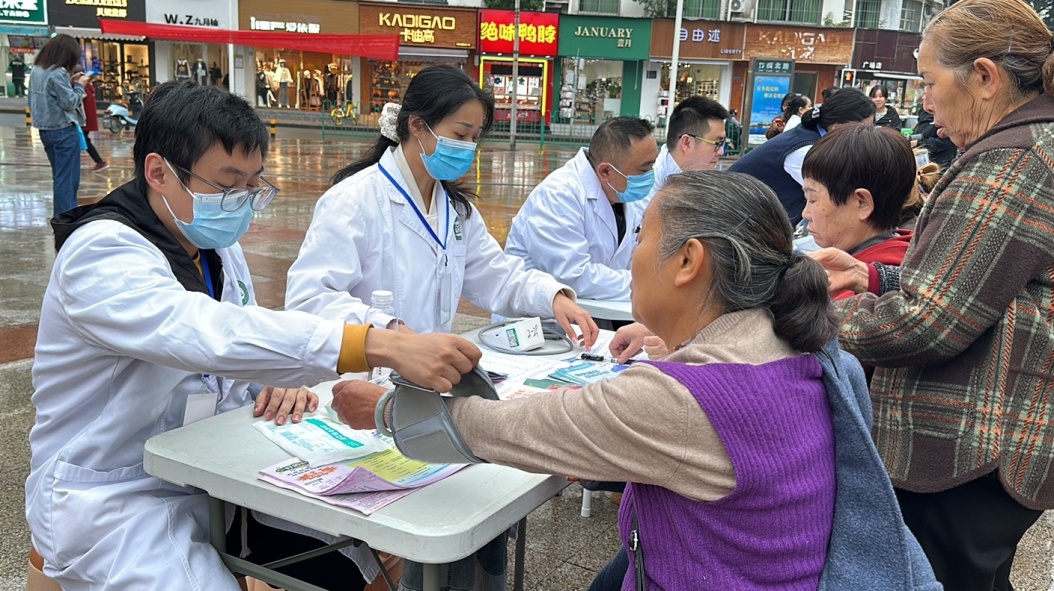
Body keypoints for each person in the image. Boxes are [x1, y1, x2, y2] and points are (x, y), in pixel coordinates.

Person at [331, 171, 941, 591]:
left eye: (645, 235)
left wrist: (383, 409)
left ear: (689, 261)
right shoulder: (802, 345)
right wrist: (659, 353)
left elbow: (494, 426)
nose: (631, 254)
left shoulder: (685, 399)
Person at [25, 80, 483, 591]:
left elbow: (233, 357)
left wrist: (270, 385)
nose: (241, 201)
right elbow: (203, 332)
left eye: (252, 184)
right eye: (228, 184)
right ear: (158, 172)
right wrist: (376, 344)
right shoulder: (101, 253)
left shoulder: (216, 249)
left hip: (212, 471)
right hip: (118, 493)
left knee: (356, 564)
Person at [808, 0, 1054, 588]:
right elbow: (993, 292)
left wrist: (808, 315)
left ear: (984, 77)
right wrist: (873, 278)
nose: (924, 102)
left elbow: (929, 322)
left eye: (927, 81)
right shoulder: (1029, 146)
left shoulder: (1010, 162)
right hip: (989, 443)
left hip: (967, 448)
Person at [286, 66, 596, 347]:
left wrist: (552, 297)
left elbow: (497, 277)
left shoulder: (455, 211)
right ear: (418, 125)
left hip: (426, 370)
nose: (468, 147)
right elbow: (310, 299)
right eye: (460, 134)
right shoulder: (353, 200)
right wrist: (385, 328)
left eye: (475, 137)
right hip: (364, 372)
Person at [503, 117, 658, 301]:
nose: (650, 176)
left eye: (653, 166)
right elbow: (573, 276)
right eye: (644, 170)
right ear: (605, 171)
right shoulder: (559, 196)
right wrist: (642, 284)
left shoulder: (622, 192)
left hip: (595, 309)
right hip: (539, 313)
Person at [801, 125, 917, 301]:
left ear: (862, 203)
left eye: (813, 199)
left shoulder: (858, 294)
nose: (805, 214)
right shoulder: (913, 257)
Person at [729, 89, 875, 225]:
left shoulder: (813, 136)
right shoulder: (805, 150)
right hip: (736, 220)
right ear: (837, 126)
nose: (866, 135)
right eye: (862, 129)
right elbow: (834, 197)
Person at [29, 34, 86, 216]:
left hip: (46, 130)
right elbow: (69, 102)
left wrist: (70, 82)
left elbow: (50, 95)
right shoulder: (57, 73)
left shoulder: (37, 70)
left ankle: (62, 218)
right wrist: (80, 86)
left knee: (60, 178)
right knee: (68, 181)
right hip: (63, 130)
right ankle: (66, 221)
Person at [648, 95, 729, 199]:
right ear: (687, 143)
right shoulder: (648, 190)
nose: (721, 152)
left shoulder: (704, 181)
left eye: (722, 143)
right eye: (717, 143)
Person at [72, 66, 107, 173]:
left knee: (83, 140)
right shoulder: (87, 86)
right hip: (88, 118)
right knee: (81, 140)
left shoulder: (81, 87)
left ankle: (99, 161)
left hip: (84, 118)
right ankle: (97, 161)